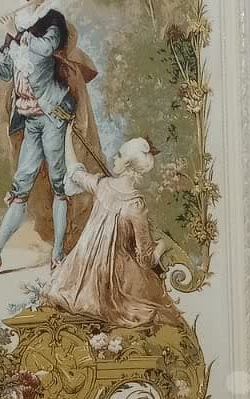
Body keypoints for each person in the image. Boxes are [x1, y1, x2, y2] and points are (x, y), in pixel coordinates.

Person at [0, 0, 101, 277]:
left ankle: (57, 255)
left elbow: (44, 49)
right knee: (21, 187)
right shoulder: (20, 22)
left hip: (53, 115)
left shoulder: (52, 20)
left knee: (58, 184)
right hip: (30, 119)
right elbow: (4, 69)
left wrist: (16, 34)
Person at [45, 138, 186, 329]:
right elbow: (147, 260)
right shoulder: (136, 206)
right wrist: (163, 246)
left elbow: (75, 172)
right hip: (111, 280)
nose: (114, 158)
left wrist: (67, 137)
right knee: (152, 300)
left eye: (119, 155)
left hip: (79, 270)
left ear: (127, 165)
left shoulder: (102, 186)